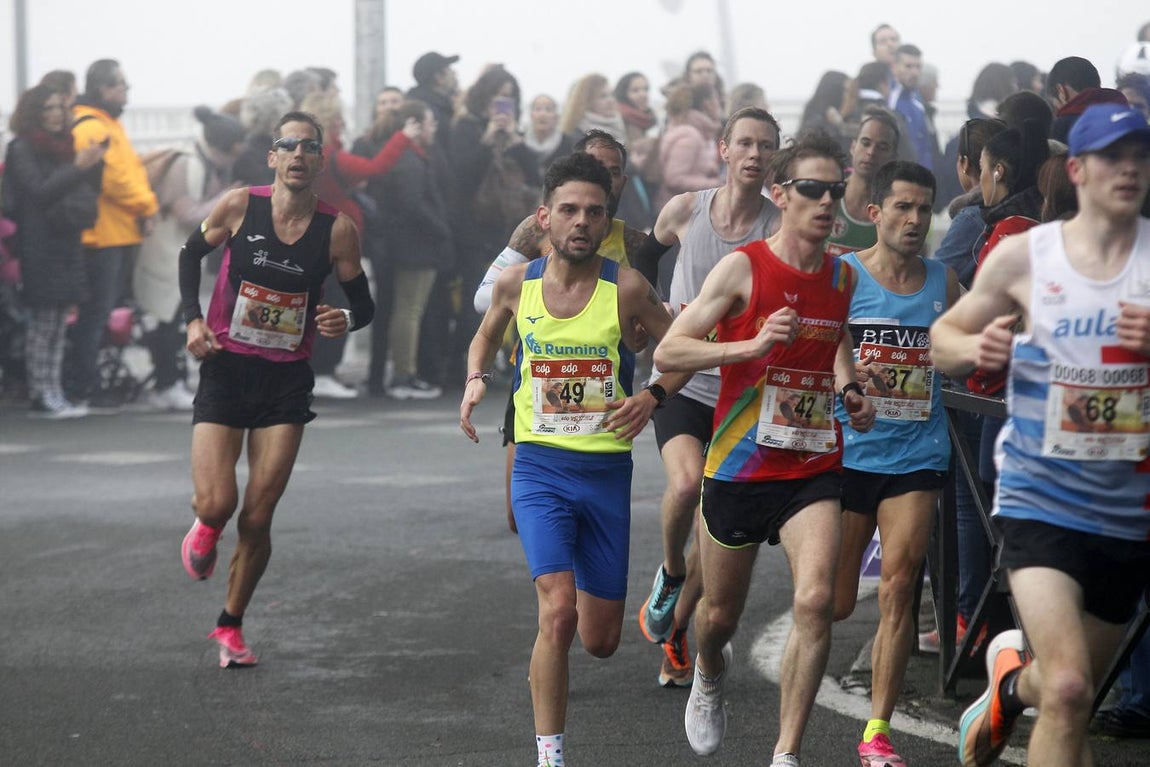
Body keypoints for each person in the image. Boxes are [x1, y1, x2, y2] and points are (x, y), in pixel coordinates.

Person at [930, 103, 1150, 767]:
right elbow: (943, 337)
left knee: (1065, 695)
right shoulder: (1027, 256)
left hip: (1128, 515)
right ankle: (1024, 680)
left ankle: (1009, 681)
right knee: (1070, 683)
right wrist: (975, 348)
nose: (1130, 168)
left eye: (1139, 154)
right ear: (1077, 169)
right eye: (1113, 156)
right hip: (1041, 500)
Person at [653, 130, 876, 765]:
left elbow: (832, 336)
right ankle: (708, 673)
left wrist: (850, 386)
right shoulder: (744, 267)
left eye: (835, 190)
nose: (827, 201)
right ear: (780, 195)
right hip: (741, 466)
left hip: (812, 465)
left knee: (814, 601)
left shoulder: (841, 274)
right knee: (719, 617)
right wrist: (746, 348)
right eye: (812, 189)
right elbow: (670, 350)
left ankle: (786, 754)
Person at [458, 151, 679, 767]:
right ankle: (550, 754)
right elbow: (485, 332)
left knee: (600, 640)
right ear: (545, 217)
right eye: (569, 210)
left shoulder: (627, 287)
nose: (581, 221)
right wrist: (477, 377)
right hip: (540, 469)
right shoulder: (515, 282)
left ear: (606, 220)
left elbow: (680, 349)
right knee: (556, 612)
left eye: (594, 212)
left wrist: (653, 396)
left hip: (605, 474)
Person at [177, 111, 375, 668]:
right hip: (226, 364)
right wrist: (193, 320)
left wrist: (344, 320)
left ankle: (230, 625)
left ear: (319, 160)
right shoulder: (241, 205)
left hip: (286, 379)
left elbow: (363, 305)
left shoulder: (337, 229)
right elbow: (190, 254)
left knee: (259, 516)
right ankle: (205, 525)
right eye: (288, 146)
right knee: (219, 501)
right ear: (273, 157)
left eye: (309, 147)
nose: (298, 155)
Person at [630, 106, 782, 690]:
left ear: (775, 156)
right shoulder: (686, 210)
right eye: (744, 143)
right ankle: (670, 575)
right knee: (686, 485)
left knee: (714, 530)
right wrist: (651, 315)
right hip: (685, 381)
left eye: (765, 146)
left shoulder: (775, 227)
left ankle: (677, 628)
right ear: (723, 150)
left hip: (745, 394)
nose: (753, 154)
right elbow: (643, 257)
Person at [831, 160, 960, 766]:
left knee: (901, 584)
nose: (914, 220)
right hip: (850, 454)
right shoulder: (844, 277)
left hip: (917, 452)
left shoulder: (944, 280)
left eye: (924, 209)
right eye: (902, 208)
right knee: (830, 601)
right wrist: (848, 375)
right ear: (874, 212)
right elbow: (820, 347)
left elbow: (962, 348)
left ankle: (877, 731)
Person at [473, 130, 650, 533]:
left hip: (604, 401)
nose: (604, 176)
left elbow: (663, 321)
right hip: (537, 381)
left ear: (621, 182)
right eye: (596, 167)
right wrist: (539, 291)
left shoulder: (636, 243)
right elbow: (485, 298)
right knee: (521, 518)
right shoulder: (536, 230)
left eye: (614, 171)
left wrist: (642, 351)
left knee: (585, 526)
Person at [135, 105, 247, 412]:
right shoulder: (186, 163)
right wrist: (224, 200)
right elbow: (186, 213)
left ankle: (173, 381)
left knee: (174, 318)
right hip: (164, 251)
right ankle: (166, 384)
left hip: (178, 252)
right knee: (164, 319)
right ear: (221, 148)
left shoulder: (202, 162)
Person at [3, 84, 104, 418]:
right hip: (39, 244)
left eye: (60, 108)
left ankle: (55, 390)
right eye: (47, 108)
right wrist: (78, 166)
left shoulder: (65, 147)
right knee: (43, 323)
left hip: (67, 240)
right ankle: (40, 392)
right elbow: (39, 192)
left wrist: (90, 164)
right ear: (33, 112)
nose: (55, 115)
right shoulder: (21, 147)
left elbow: (85, 189)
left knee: (61, 321)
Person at [65, 59, 159, 406]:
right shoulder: (93, 127)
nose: (126, 93)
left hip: (115, 234)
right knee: (94, 313)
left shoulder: (104, 124)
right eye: (122, 86)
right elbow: (114, 180)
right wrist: (147, 205)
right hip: (102, 236)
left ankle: (85, 382)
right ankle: (83, 385)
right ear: (104, 88)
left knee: (98, 312)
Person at [375, 100, 453, 401]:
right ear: (417, 125)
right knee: (409, 310)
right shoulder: (409, 161)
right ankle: (403, 375)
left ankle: (404, 372)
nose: (434, 129)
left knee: (409, 310)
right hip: (415, 246)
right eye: (431, 123)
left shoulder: (415, 157)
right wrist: (440, 228)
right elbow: (413, 204)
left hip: (413, 245)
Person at [824, 109, 900, 257]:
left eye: (882, 147)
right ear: (853, 147)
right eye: (865, 143)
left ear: (893, 158)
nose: (871, 152)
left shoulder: (896, 211)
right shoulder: (826, 195)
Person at [653, 83, 723, 212]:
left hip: (690, 207)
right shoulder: (689, 136)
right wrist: (717, 184)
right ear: (707, 104)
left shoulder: (699, 133)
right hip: (679, 212)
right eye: (717, 99)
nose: (720, 103)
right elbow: (674, 179)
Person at [1048, 56, 1128, 144]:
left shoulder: (1064, 125)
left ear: (1061, 91)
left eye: (1056, 106)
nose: (1058, 113)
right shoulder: (1125, 117)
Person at [887, 45, 938, 172]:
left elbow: (926, 148)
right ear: (894, 67)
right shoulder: (888, 101)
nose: (915, 72)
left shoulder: (919, 105)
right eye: (908, 66)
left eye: (918, 67)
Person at [407, 51, 459, 154]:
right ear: (438, 77)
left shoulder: (436, 106)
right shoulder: (430, 111)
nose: (454, 73)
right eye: (449, 69)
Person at [559, 73, 626, 143]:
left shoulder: (622, 126)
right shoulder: (577, 136)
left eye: (612, 95)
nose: (611, 100)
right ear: (588, 101)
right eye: (603, 96)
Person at [523, 94, 574, 175]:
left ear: (556, 117)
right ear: (531, 115)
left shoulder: (570, 145)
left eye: (548, 109)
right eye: (538, 109)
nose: (542, 114)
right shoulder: (520, 144)